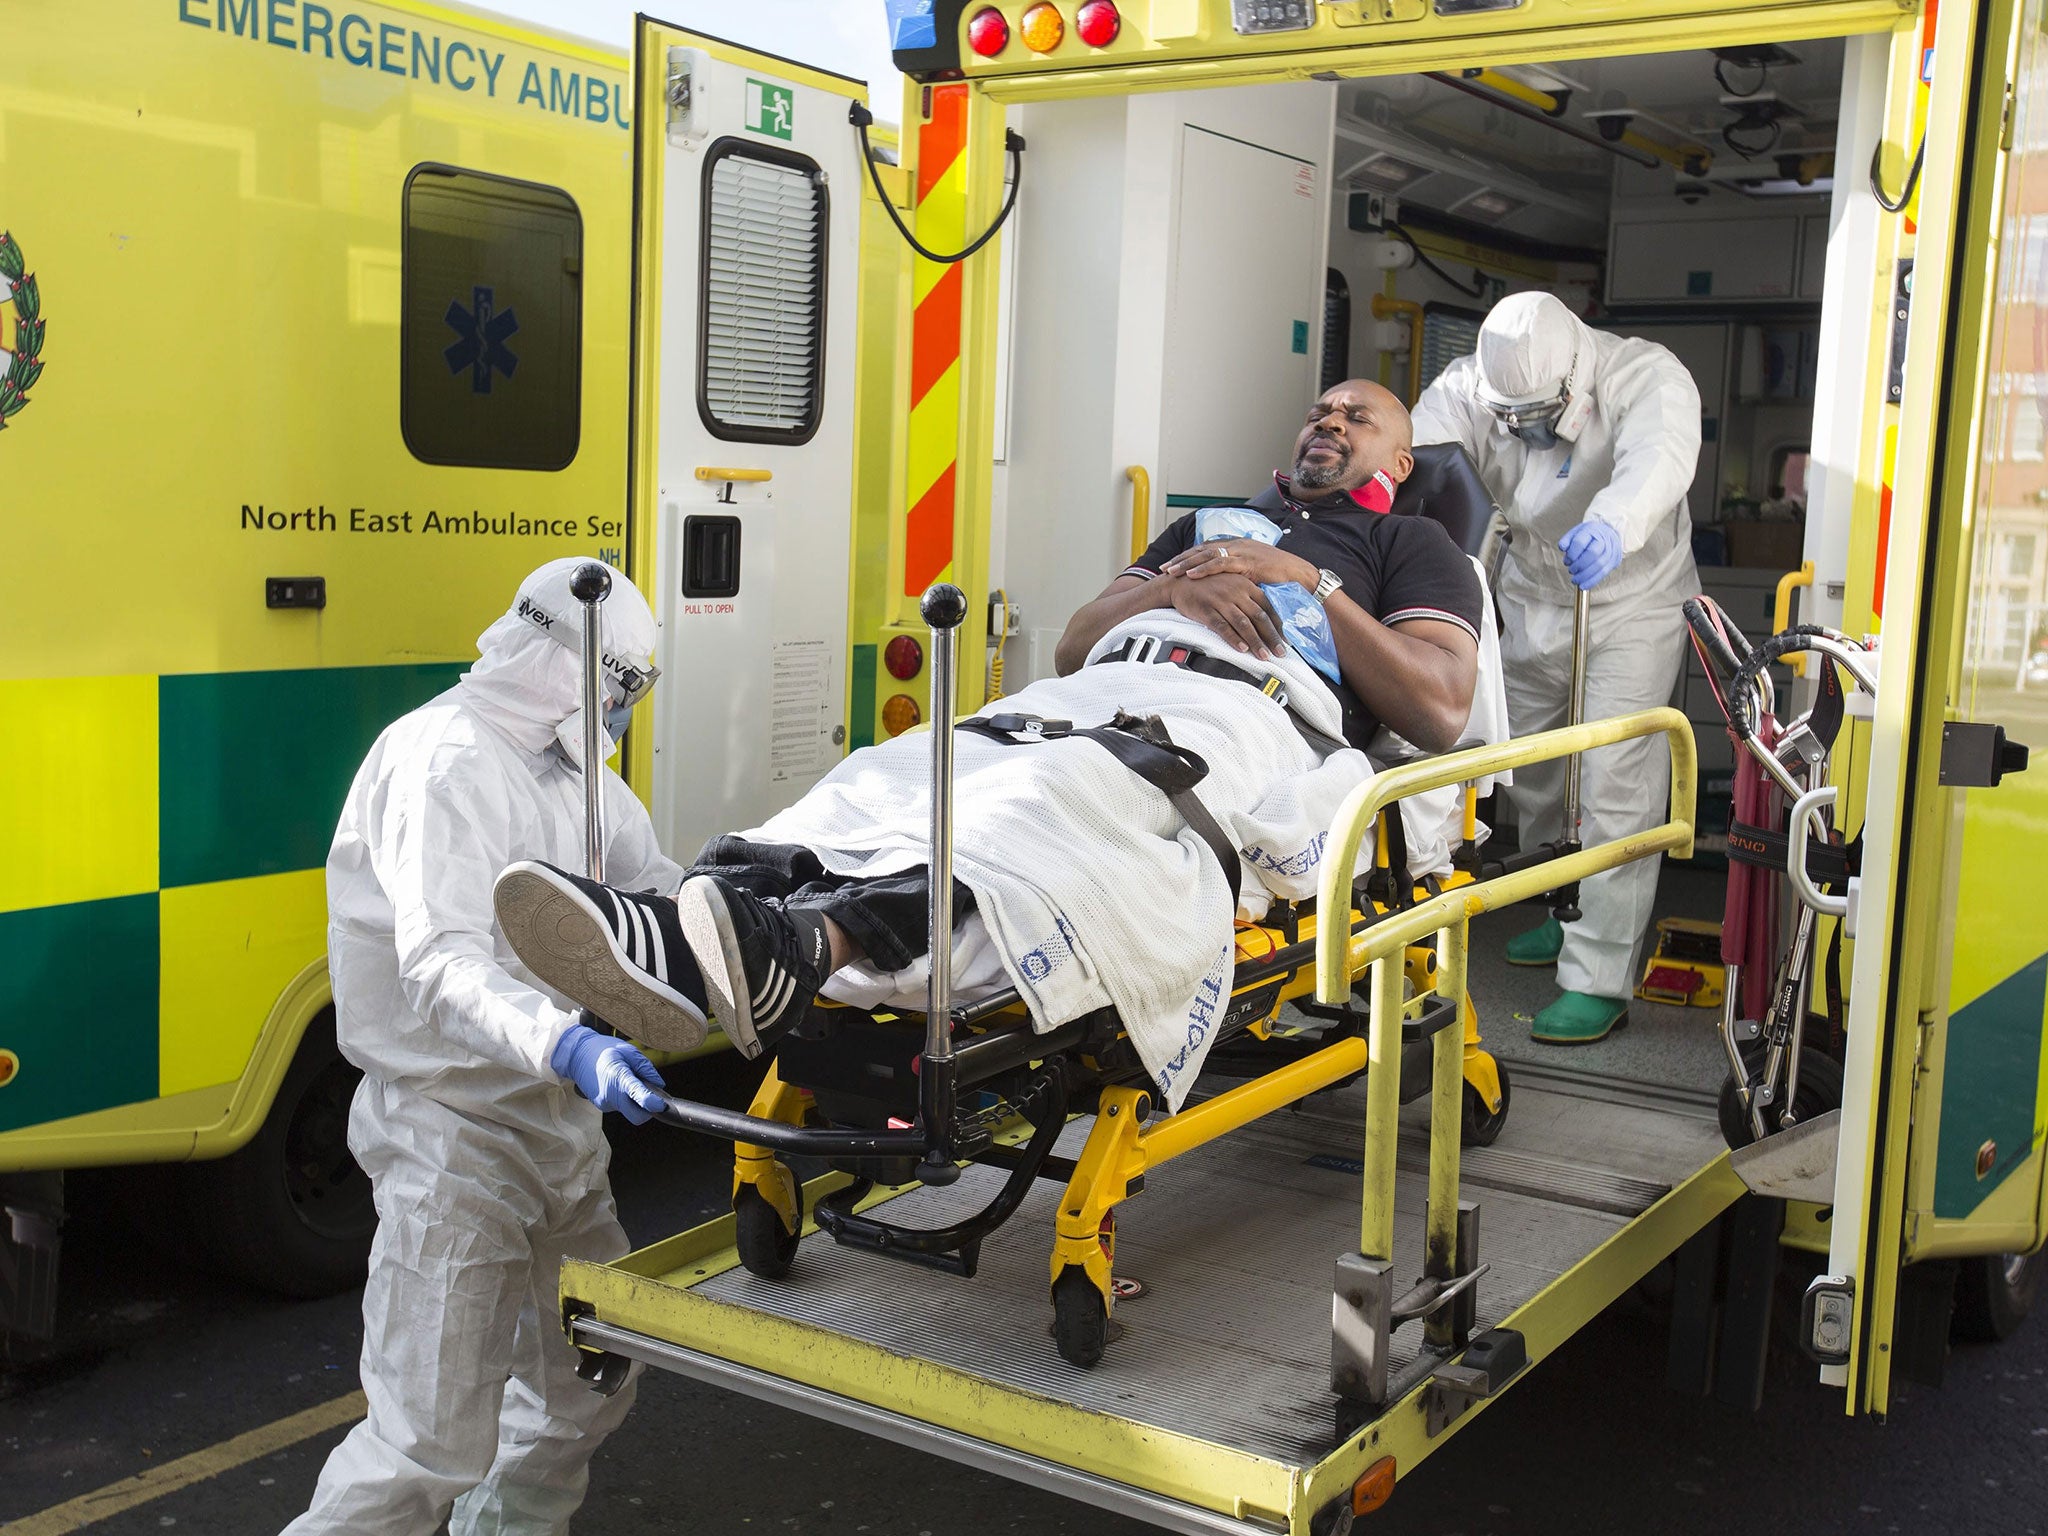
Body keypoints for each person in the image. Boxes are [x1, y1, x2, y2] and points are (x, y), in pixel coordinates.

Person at [494, 382, 1488, 1106]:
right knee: (885, 775)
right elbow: (1072, 639)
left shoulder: (1410, 547)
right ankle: (687, 931)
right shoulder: (1207, 521)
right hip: (1100, 684)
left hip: (1246, 713)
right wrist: (1175, 585)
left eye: (1358, 417)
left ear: (1399, 467)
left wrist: (1299, 579)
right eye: (1318, 408)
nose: (1328, 420)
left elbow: (1439, 707)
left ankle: (818, 940)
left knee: (1030, 811)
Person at [285, 558, 698, 1536]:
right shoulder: (446, 761)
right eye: (622, 687)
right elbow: (438, 961)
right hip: (453, 1132)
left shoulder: (574, 774)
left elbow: (656, 890)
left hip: (554, 1129)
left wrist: (759, 928)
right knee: (424, 1445)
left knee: (586, 1379)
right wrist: (567, 1045)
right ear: (570, 666)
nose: (623, 712)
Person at [1411, 291, 1702, 1045]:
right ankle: (1560, 902)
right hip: (1532, 593)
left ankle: (1598, 974)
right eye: (1517, 420)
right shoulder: (1471, 386)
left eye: (1544, 416)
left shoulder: (1644, 375)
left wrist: (1613, 522)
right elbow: (1421, 457)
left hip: (1628, 596)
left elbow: (1658, 458)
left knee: (1614, 783)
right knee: (1533, 772)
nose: (1530, 434)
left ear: (1576, 374)